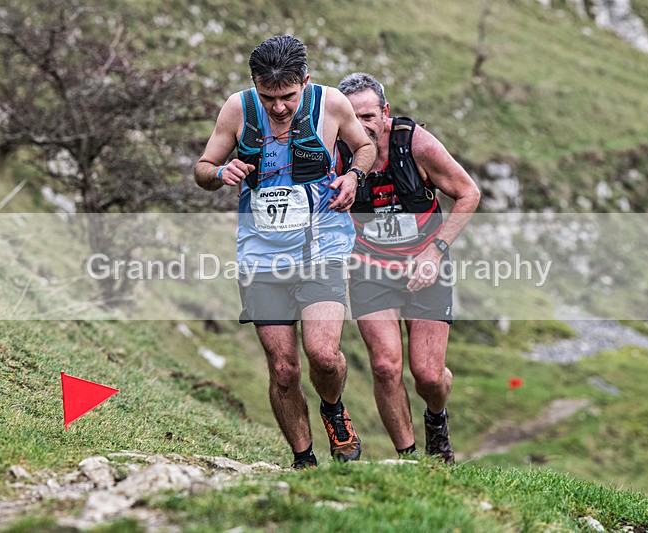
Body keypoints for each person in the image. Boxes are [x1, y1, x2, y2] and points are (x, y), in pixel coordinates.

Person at [194, 36, 376, 469]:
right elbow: (201, 169)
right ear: (255, 86)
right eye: (268, 96)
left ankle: (333, 408)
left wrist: (353, 177)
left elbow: (365, 147)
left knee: (323, 355)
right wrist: (220, 171)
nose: (278, 107)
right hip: (261, 254)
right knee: (283, 369)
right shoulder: (237, 109)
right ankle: (303, 460)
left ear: (306, 83)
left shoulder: (331, 104)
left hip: (323, 244)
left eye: (288, 97)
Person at [337, 73, 480, 464]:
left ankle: (436, 418)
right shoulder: (335, 150)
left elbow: (469, 193)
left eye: (368, 115)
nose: (361, 125)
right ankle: (409, 460)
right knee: (384, 367)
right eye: (351, 116)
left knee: (429, 376)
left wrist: (435, 252)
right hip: (370, 267)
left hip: (426, 265)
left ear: (385, 113)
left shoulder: (415, 144)